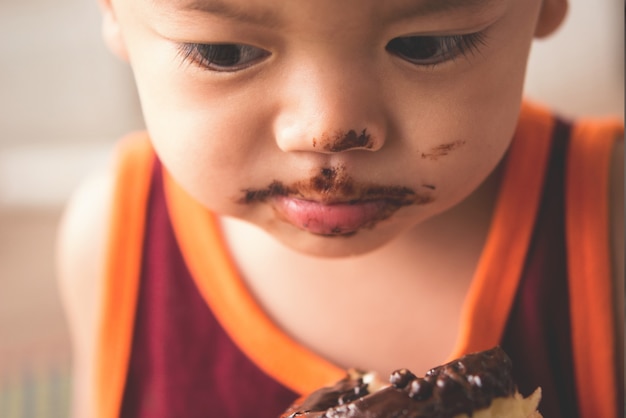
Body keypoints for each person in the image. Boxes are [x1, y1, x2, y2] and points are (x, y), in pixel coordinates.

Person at [56, 0, 624, 417]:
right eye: (224, 53)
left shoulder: (610, 226)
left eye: (425, 45)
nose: (328, 130)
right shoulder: (113, 247)